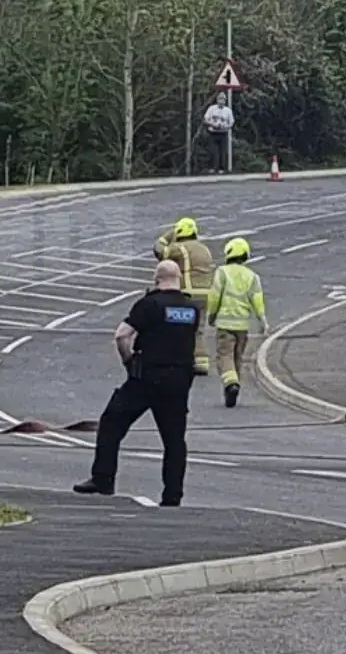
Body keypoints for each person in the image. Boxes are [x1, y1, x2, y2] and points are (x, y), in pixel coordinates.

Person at [73, 260, 200, 505]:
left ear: (156, 280)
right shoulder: (191, 309)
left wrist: (129, 362)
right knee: (174, 440)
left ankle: (103, 479)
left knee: (111, 423)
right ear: (179, 279)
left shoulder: (149, 304)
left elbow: (122, 335)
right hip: (179, 380)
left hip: (146, 378)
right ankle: (173, 496)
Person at [207, 237, 270, 408]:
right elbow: (257, 299)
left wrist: (211, 316)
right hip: (242, 326)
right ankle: (234, 386)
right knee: (237, 357)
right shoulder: (252, 276)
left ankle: (231, 384)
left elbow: (214, 296)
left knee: (224, 355)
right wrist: (262, 320)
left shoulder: (222, 272)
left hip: (225, 323)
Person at [153, 216, 214, 376]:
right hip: (207, 294)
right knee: (199, 329)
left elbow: (159, 251)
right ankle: (202, 363)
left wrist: (166, 236)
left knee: (179, 328)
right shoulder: (204, 248)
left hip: (188, 293)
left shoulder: (179, 248)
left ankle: (178, 360)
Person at [203, 93, 234, 173]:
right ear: (217, 100)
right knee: (213, 151)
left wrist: (226, 127)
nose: (221, 101)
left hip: (223, 133)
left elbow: (231, 122)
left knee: (222, 152)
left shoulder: (228, 110)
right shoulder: (212, 108)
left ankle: (222, 168)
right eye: (220, 99)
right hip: (213, 132)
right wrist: (212, 124)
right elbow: (206, 119)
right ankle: (213, 167)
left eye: (223, 99)